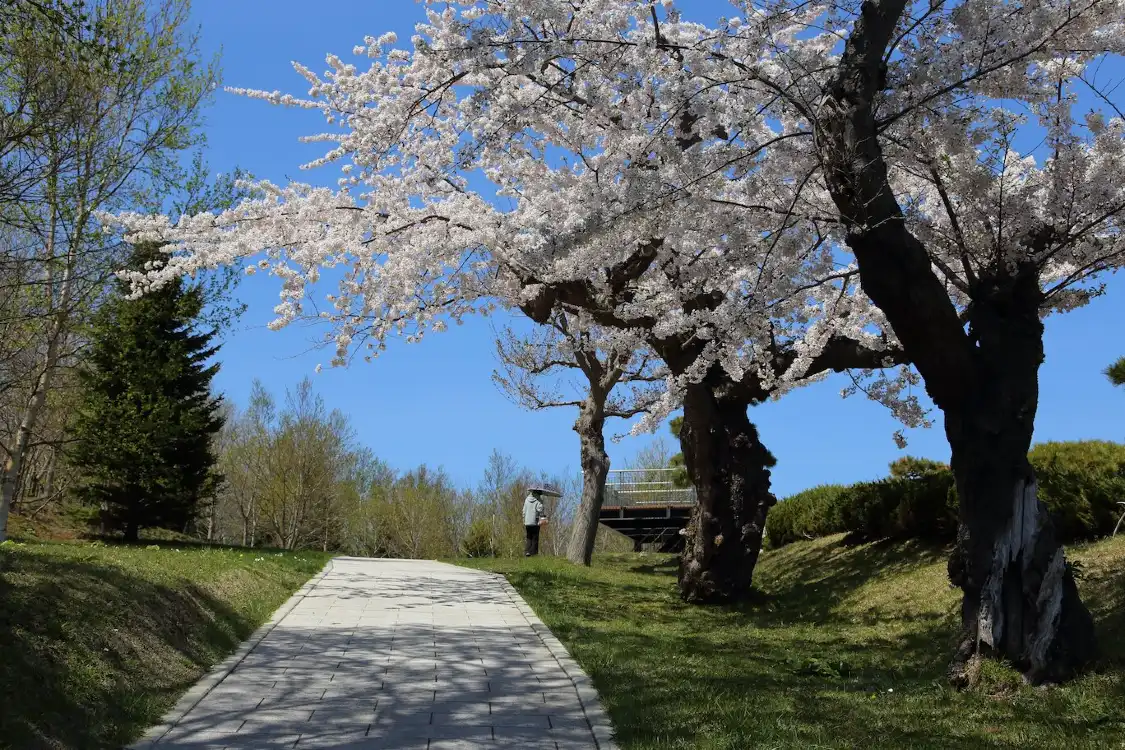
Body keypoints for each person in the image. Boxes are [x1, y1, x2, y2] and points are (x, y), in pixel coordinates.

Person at [523, 489, 546, 556]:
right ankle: (534, 553)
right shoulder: (538, 500)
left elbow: (524, 511)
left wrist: (524, 520)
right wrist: (541, 502)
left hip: (527, 522)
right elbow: (540, 509)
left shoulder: (527, 499)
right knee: (535, 538)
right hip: (535, 521)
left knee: (529, 537)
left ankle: (527, 552)